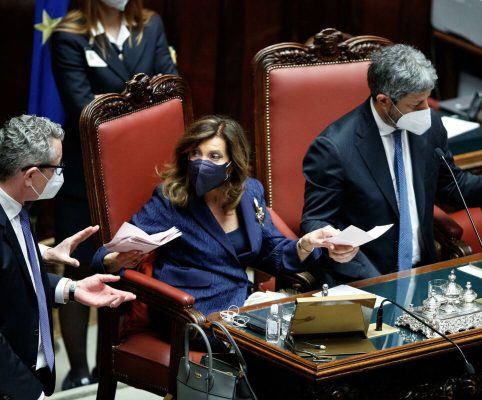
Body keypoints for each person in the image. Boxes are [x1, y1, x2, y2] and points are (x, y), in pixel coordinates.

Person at [301, 44, 482, 285]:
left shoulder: (429, 127)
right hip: (365, 277)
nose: (426, 110)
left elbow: (454, 186)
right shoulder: (334, 147)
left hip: (425, 271)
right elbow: (315, 220)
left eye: (427, 100)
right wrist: (334, 243)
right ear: (384, 101)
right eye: (415, 104)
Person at [92, 115, 345, 320]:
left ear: (231, 164)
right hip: (190, 313)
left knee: (313, 328)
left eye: (214, 156)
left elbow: (273, 251)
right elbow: (102, 257)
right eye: (195, 154)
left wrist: (306, 243)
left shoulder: (250, 192)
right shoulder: (171, 198)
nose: (201, 163)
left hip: (240, 304)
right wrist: (116, 260)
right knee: (279, 347)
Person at [50, 0, 177, 388]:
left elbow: (169, 89)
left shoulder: (150, 26)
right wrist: (140, 112)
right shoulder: (69, 36)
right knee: (80, 264)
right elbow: (83, 109)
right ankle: (77, 370)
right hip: (87, 175)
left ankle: (120, 355)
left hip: (142, 170)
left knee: (134, 260)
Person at [0, 115, 136, 399]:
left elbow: (16, 283)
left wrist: (72, 289)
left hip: (31, 370)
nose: (60, 174)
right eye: (56, 168)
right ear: (30, 175)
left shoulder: (17, 208)